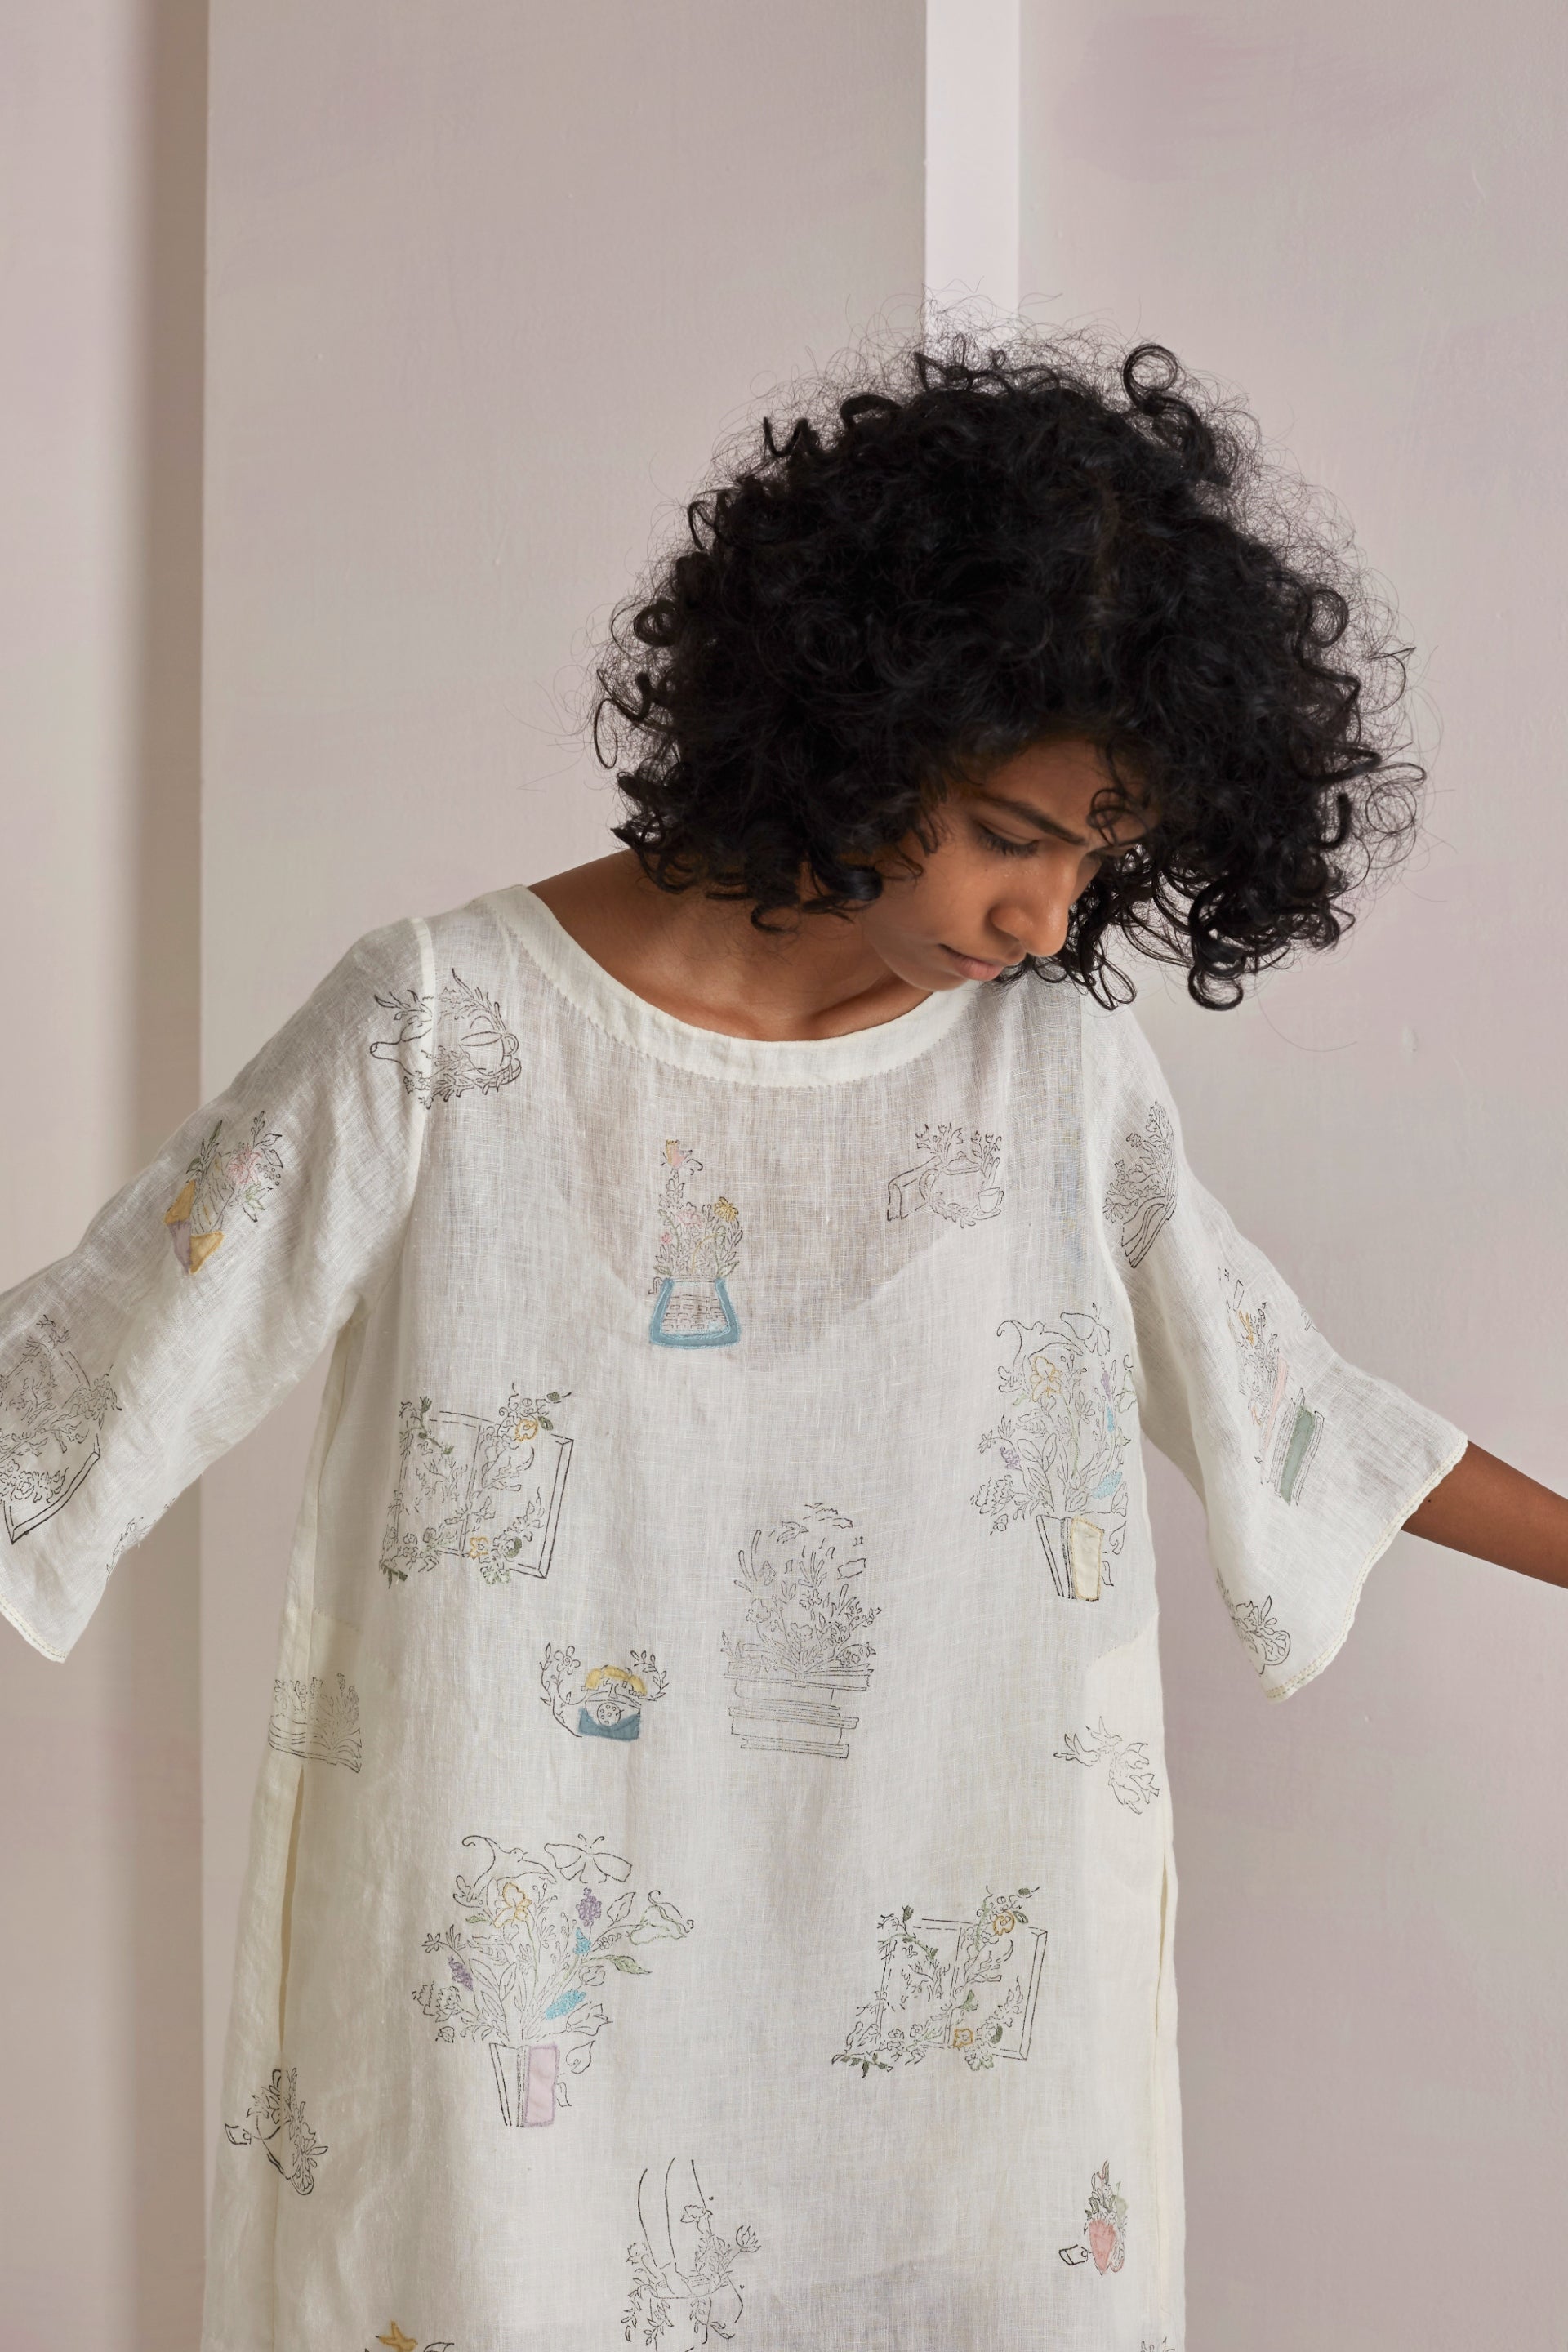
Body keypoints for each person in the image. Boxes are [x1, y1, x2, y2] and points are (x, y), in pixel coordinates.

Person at [2, 332, 1562, 2351]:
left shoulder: (1057, 1076)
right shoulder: (449, 1027)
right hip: (528, 2052)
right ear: (853, 718)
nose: (1047, 915)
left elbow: (1295, 1411)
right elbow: (82, 1377)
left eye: (1100, 855)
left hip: (965, 2081)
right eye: (1012, 830)